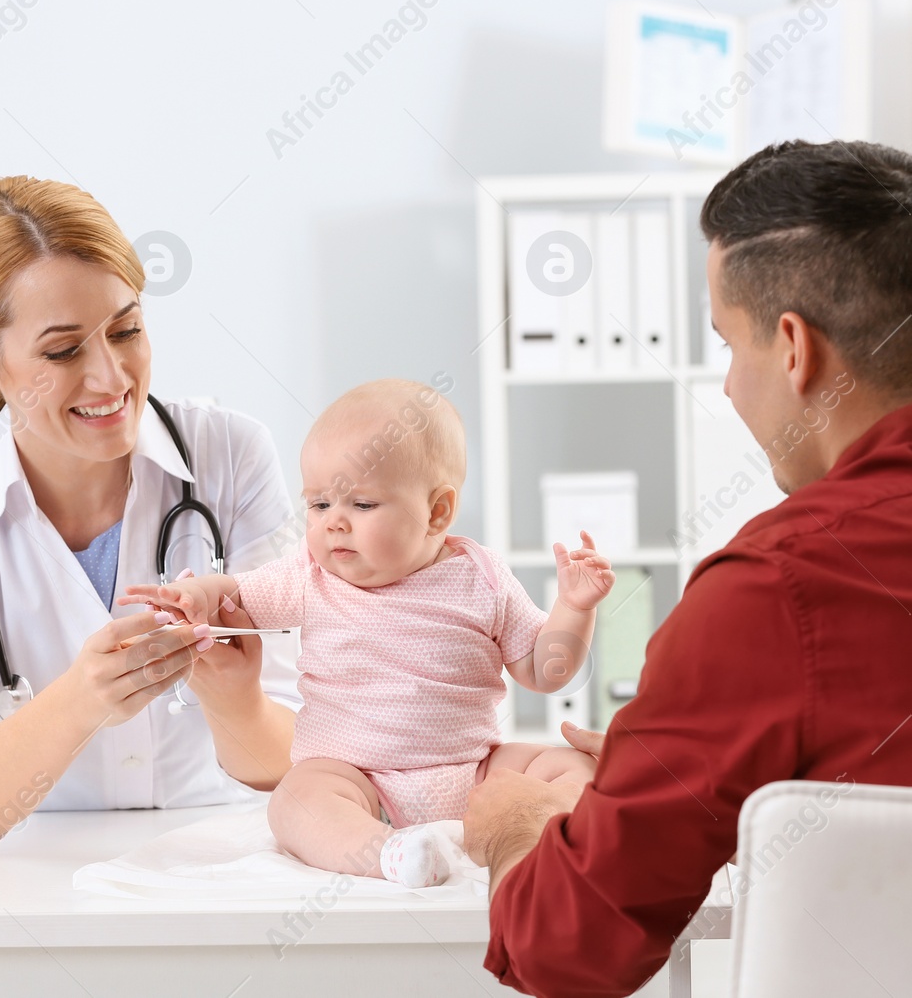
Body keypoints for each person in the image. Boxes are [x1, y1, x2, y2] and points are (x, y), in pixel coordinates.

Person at [464, 140, 912, 995]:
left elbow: (562, 951)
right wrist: (682, 758)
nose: (727, 388)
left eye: (728, 346)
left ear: (795, 349)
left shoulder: (771, 589)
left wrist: (519, 821)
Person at [0, 176, 301, 846]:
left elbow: (300, 758)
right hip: (39, 887)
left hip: (226, 867)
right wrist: (83, 698)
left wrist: (236, 701)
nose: (110, 377)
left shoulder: (233, 457)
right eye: (64, 350)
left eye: (126, 330)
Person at [123, 379, 610, 886]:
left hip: (476, 774)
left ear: (437, 511)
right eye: (318, 505)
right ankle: (389, 853)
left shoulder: (482, 577)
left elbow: (544, 670)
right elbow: (238, 595)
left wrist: (574, 608)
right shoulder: (310, 577)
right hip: (359, 781)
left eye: (361, 505)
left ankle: (561, 830)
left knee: (572, 765)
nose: (333, 523)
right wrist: (199, 595)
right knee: (296, 799)